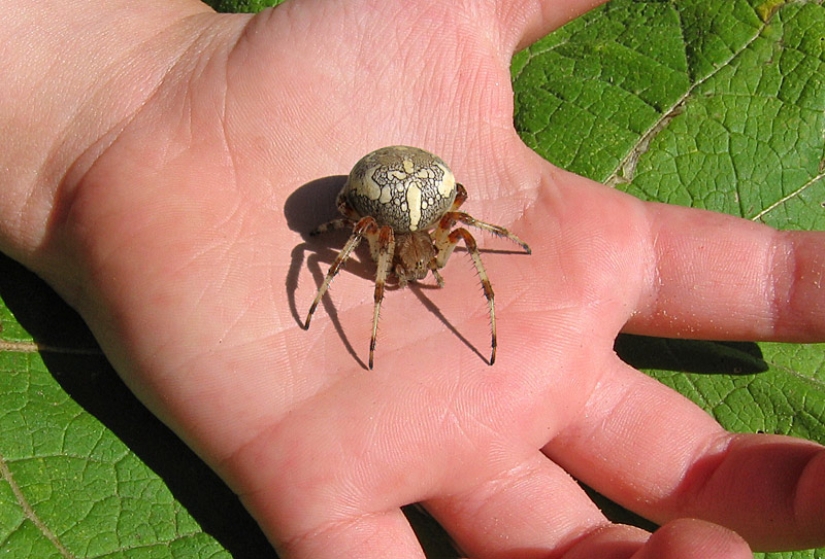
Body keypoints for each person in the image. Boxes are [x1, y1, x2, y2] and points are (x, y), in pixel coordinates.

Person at [1, 0, 823, 557]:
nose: (428, 270)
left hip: (418, 185)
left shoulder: (448, 228)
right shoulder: (374, 236)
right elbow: (331, 255)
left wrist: (108, 85)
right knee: (369, 256)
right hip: (382, 189)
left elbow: (473, 231)